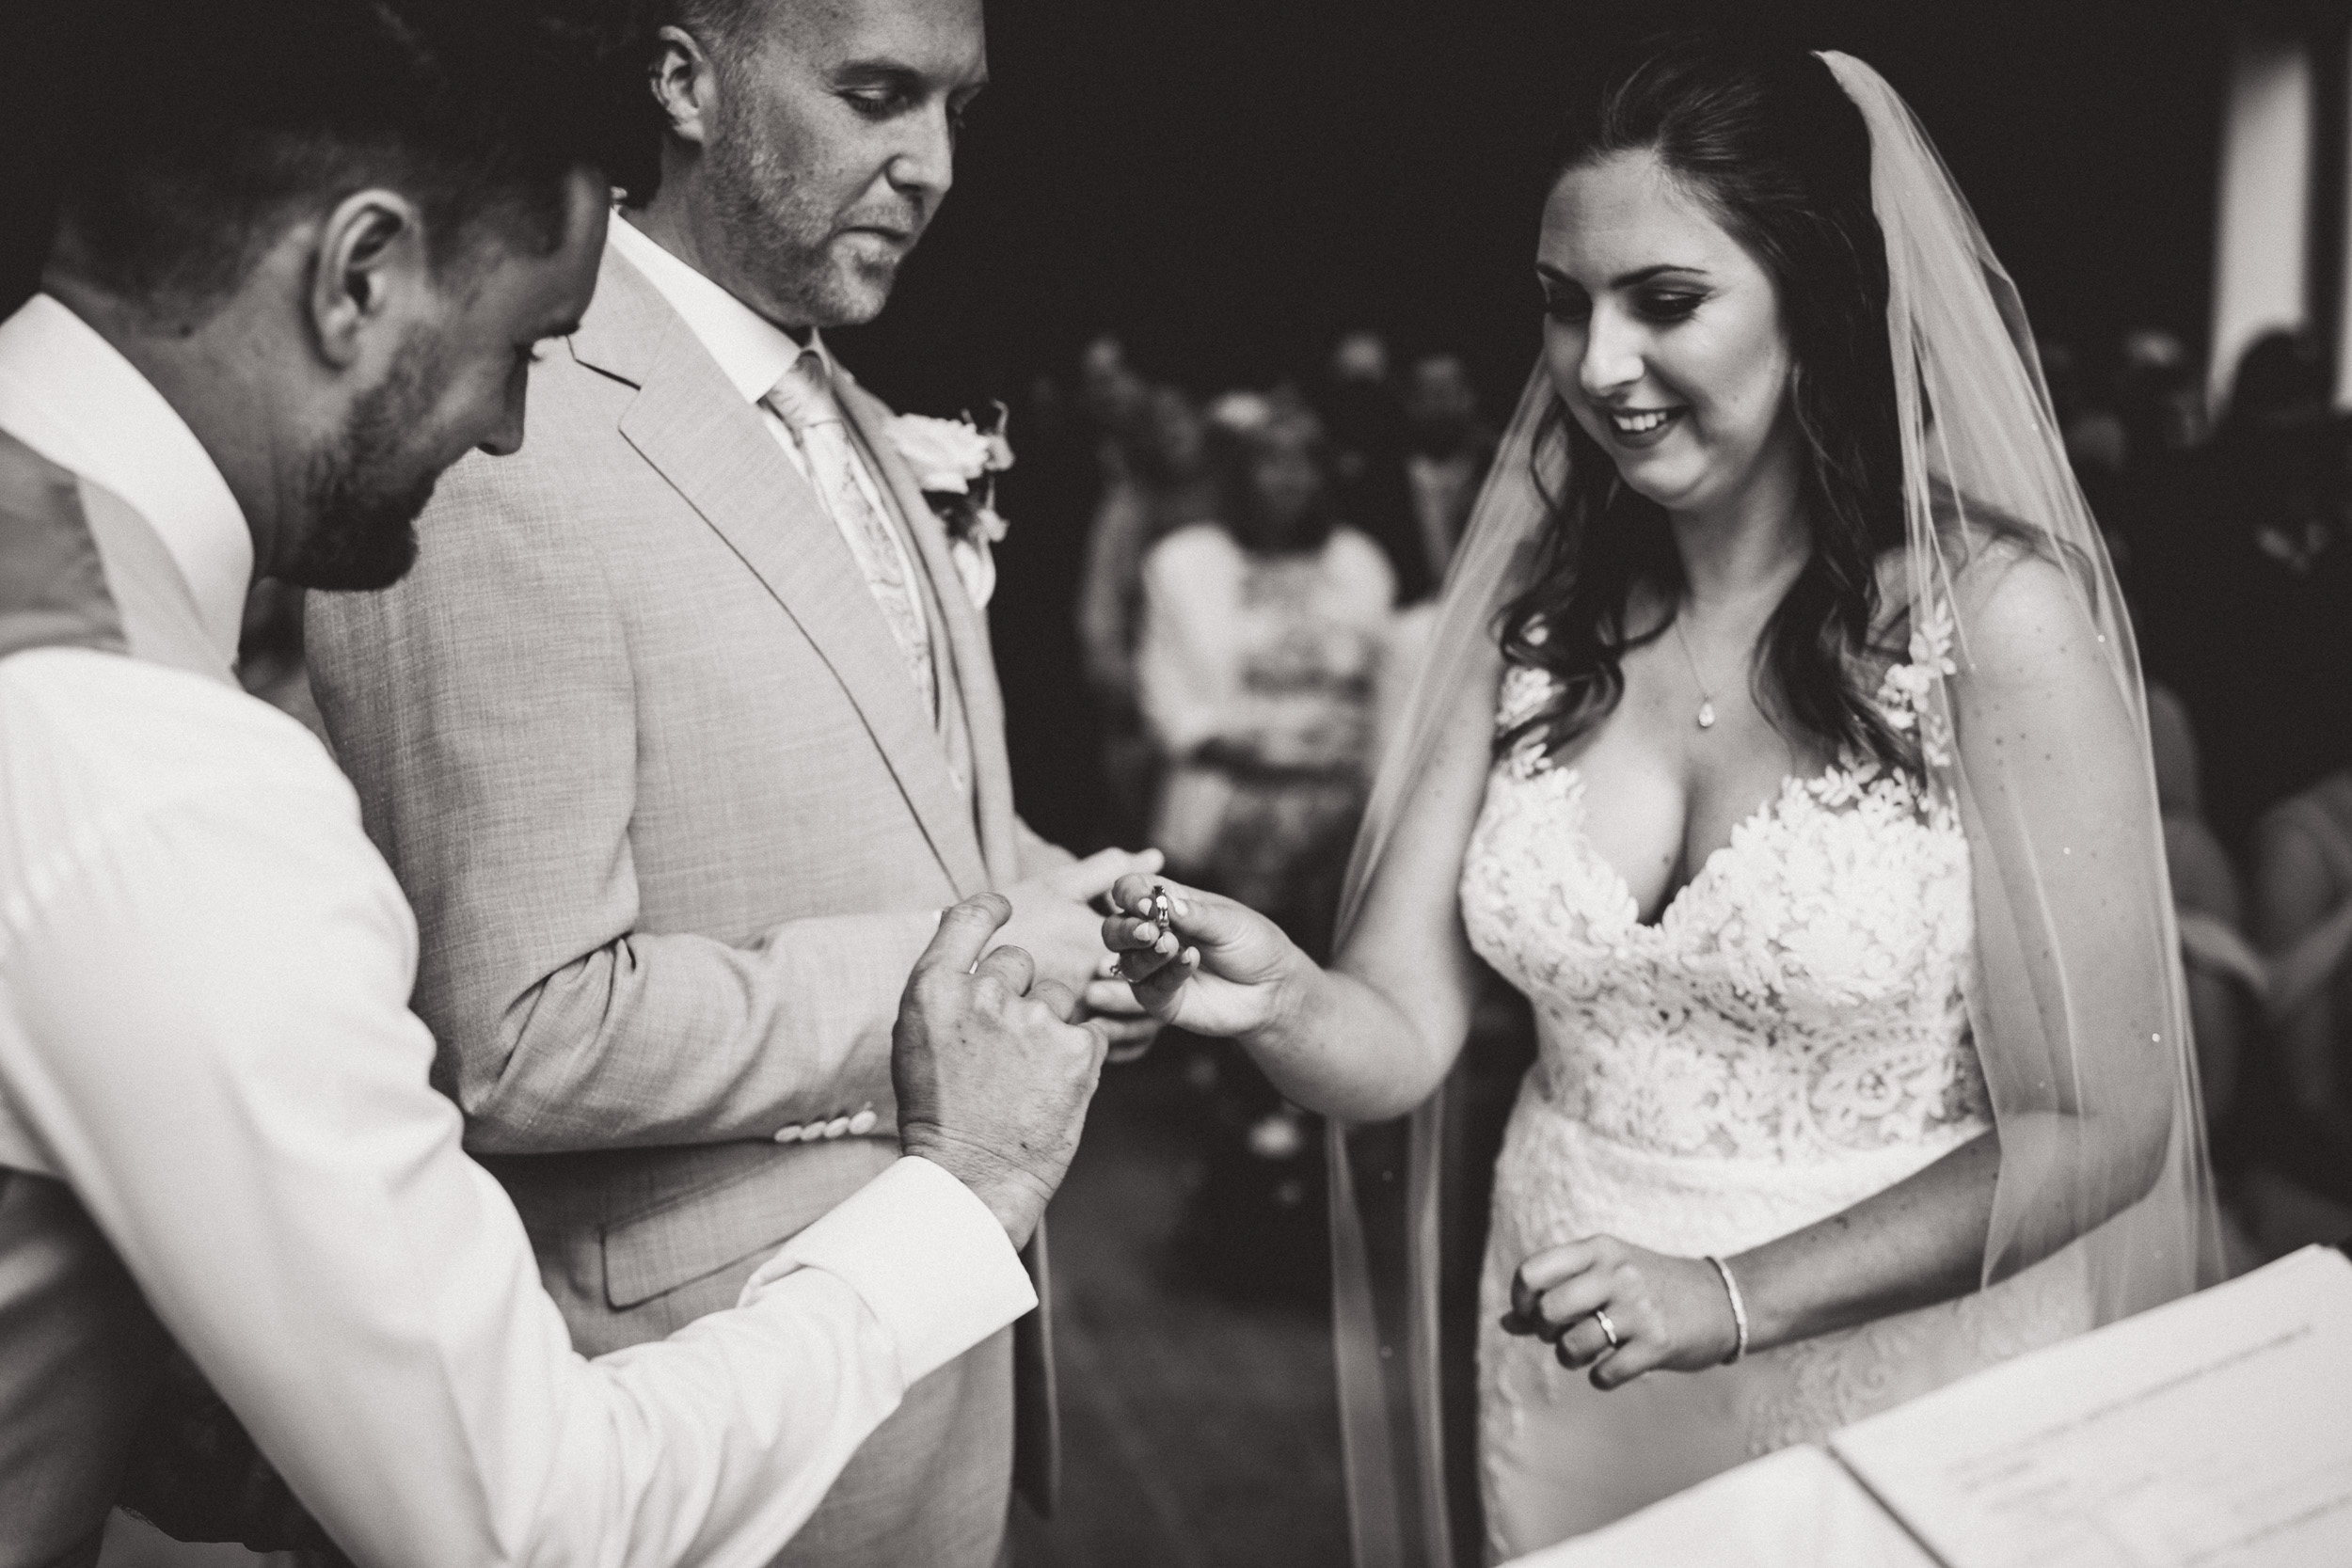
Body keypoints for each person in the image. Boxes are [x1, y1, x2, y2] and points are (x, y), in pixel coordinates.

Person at [0, 3, 1111, 1565]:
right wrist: (968, 1190)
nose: (513, 426)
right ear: (361, 276)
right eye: (515, 348)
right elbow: (529, 1517)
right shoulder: (163, 768)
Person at [1108, 34, 2218, 1560]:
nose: (1597, 365)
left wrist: (1736, 1294)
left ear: (1815, 295)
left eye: (1667, 302)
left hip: (1903, 1389)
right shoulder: (1533, 628)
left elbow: (2104, 1123)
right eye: (1565, 307)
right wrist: (1281, 994)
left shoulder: (1992, 621)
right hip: (1580, 1357)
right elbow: (1400, 1031)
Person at [303, 3, 1157, 1562]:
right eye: (878, 96)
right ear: (687, 79)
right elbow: (516, 1030)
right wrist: (978, 970)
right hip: (692, 1403)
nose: (934, 165)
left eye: (957, 108)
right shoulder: (501, 416)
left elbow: (904, 813)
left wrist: (1095, 909)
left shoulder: (842, 400)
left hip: (922, 1355)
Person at [1136, 399, 1395, 948]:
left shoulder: (1360, 561)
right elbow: (1167, 701)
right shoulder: (1182, 562)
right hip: (1229, 809)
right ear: (1237, 474)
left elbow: (1386, 693)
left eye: (1306, 460)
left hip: (1344, 822)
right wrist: (1257, 753)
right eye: (1270, 460)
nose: (1288, 477)